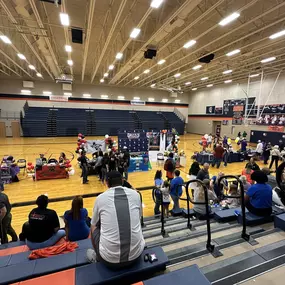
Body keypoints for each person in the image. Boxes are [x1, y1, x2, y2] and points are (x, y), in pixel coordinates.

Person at [87, 171, 145, 269]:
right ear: (122, 181)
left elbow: (94, 224)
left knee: (93, 225)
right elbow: (139, 218)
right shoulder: (136, 195)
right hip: (136, 256)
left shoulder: (100, 198)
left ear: (106, 182)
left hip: (109, 260)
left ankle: (97, 256)